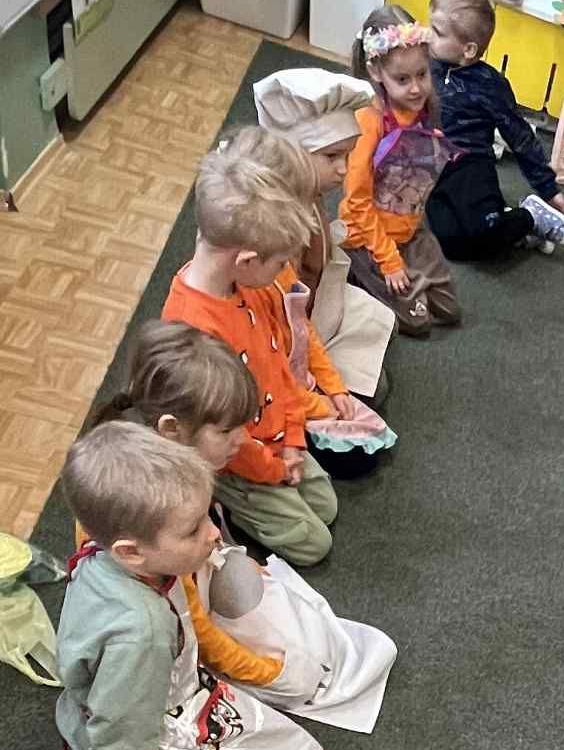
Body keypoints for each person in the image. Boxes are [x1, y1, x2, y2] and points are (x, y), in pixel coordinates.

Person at [55, 423, 333, 750]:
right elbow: (118, 736)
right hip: (141, 748)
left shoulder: (105, 545)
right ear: (131, 552)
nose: (213, 534)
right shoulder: (141, 635)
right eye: (191, 531)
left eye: (207, 516)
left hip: (157, 706)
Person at [98, 322, 398, 733]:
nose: (241, 439)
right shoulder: (154, 510)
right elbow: (200, 632)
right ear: (171, 430)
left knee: (282, 616)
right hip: (175, 620)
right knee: (299, 672)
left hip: (185, 575)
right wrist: (267, 672)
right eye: (227, 430)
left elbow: (206, 540)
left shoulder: (175, 476)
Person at [160, 145, 339, 567]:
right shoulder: (192, 334)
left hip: (276, 433)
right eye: (279, 264)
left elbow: (279, 365)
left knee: (326, 507)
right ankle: (227, 498)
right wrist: (273, 470)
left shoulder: (251, 285)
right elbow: (225, 435)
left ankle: (274, 480)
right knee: (314, 545)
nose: (283, 275)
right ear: (246, 260)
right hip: (237, 459)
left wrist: (293, 437)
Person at [220, 126, 395, 480]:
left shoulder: (273, 272)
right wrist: (318, 406)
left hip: (299, 381)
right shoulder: (250, 295)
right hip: (281, 406)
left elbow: (301, 331)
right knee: (360, 457)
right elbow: (270, 381)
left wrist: (333, 387)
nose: (343, 168)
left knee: (374, 396)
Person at [251, 66, 397, 412]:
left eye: (347, 155)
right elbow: (282, 316)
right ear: (293, 155)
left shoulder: (308, 190)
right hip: (293, 329)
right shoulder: (277, 227)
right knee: (374, 391)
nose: (344, 169)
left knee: (384, 325)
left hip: (320, 306)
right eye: (331, 156)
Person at [423, 0, 564, 261]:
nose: (427, 35)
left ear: (468, 49)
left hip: (471, 165)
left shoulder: (490, 84)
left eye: (437, 32)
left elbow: (521, 137)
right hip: (436, 168)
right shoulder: (425, 64)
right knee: (452, 245)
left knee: (483, 232)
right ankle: (513, 224)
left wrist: (548, 188)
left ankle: (531, 216)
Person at [341, 7, 460, 338]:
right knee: (419, 323)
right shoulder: (369, 121)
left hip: (410, 230)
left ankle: (405, 278)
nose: (417, 88)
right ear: (375, 71)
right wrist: (389, 261)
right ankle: (354, 272)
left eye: (422, 74)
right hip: (367, 238)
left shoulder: (424, 110)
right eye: (403, 79)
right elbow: (357, 203)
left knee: (449, 310)